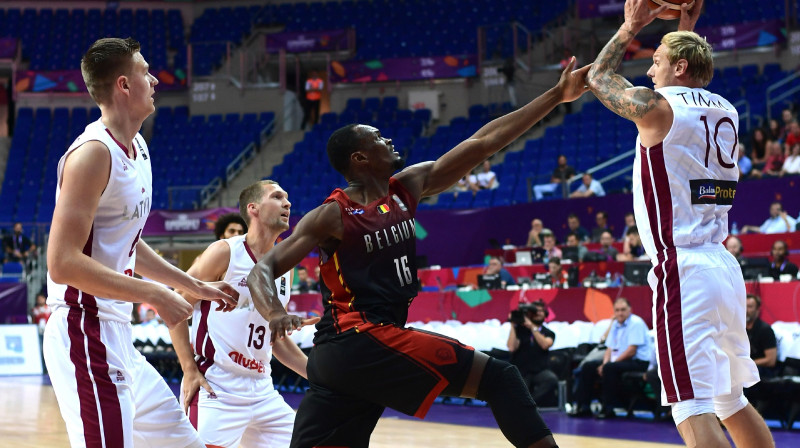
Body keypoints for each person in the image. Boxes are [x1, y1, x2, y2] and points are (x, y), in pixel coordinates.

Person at [246, 58, 591, 448]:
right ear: (359, 159)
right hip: (360, 337)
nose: (389, 141)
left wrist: (556, 96)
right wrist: (274, 312)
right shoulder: (332, 215)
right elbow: (262, 270)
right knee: (500, 378)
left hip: (344, 358)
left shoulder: (407, 186)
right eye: (378, 138)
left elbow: (483, 142)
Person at [585, 1, 774, 445]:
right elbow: (692, 89)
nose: (649, 72)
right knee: (732, 402)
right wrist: (684, 31)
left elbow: (598, 78)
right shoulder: (727, 107)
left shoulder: (656, 108)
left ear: (680, 66)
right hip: (725, 269)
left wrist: (631, 25)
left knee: (691, 408)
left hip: (683, 269)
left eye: (656, 62)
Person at [42, 37, 238, 448]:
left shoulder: (140, 148)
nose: (155, 80)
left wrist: (190, 284)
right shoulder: (93, 154)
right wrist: (153, 294)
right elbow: (61, 262)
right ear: (123, 85)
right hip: (84, 331)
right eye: (145, 71)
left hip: (118, 334)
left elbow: (128, 241)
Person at [170, 180, 315, 448]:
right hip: (217, 386)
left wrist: (320, 375)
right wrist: (188, 369)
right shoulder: (225, 252)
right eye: (277, 197)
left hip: (262, 387)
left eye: (287, 198)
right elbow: (174, 309)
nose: (288, 203)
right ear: (254, 208)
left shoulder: (286, 265)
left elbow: (276, 339)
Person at [571, 298, 650, 419]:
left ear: (630, 310)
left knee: (609, 368)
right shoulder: (615, 324)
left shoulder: (636, 323)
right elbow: (609, 348)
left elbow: (631, 351)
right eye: (617, 310)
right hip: (619, 360)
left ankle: (609, 408)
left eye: (623, 310)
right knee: (589, 366)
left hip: (639, 361)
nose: (620, 313)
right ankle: (583, 406)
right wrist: (604, 363)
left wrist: (607, 365)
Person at [507, 301, 559, 404]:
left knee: (551, 379)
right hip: (521, 370)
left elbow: (545, 345)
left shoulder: (549, 332)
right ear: (530, 314)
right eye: (535, 311)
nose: (538, 313)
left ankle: (530, 404)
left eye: (541, 311)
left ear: (545, 314)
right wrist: (513, 326)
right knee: (517, 387)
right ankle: (522, 405)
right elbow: (512, 347)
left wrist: (532, 328)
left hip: (539, 370)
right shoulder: (520, 330)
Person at [745, 294, 777, 379]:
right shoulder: (739, 329)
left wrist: (748, 363)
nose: (746, 310)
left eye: (750, 307)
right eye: (744, 306)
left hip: (763, 371)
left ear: (757, 310)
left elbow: (771, 360)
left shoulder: (765, 330)